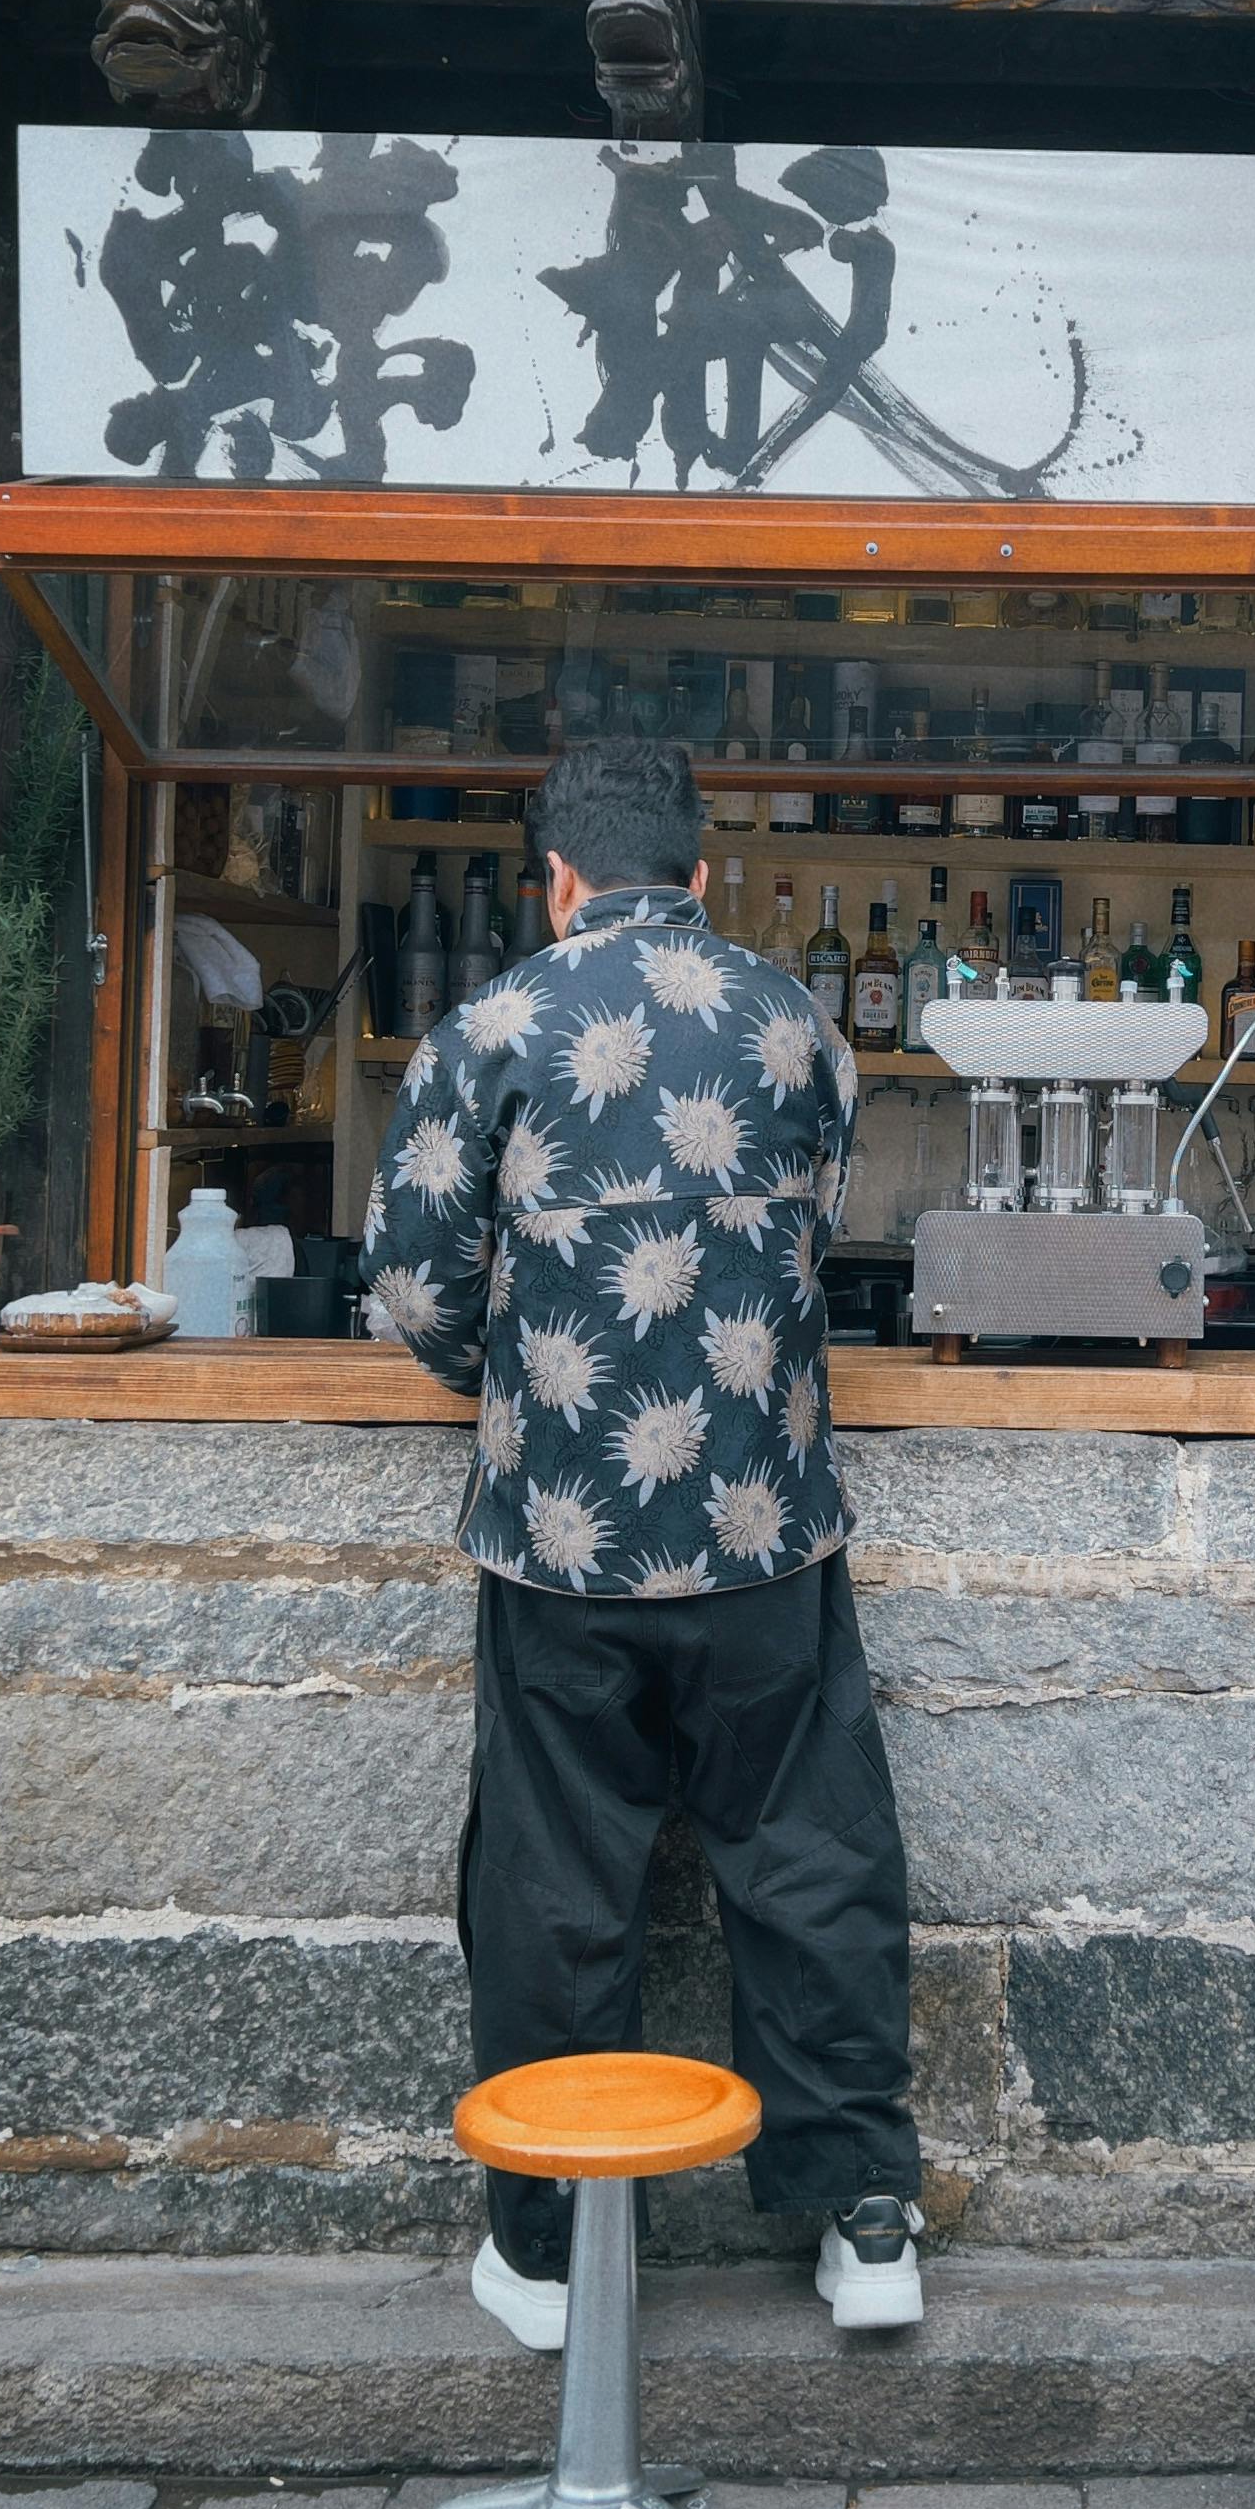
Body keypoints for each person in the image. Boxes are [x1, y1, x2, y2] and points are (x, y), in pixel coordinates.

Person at [360, 734, 926, 2341]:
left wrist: (525, 1379)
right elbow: (815, 1231)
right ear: (700, 872)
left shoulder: (491, 1025)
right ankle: (865, 2225)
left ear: (554, 878)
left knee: (553, 1887)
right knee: (813, 1868)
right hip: (764, 1538)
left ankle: (543, 2250)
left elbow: (412, 1288)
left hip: (562, 1547)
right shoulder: (797, 1019)